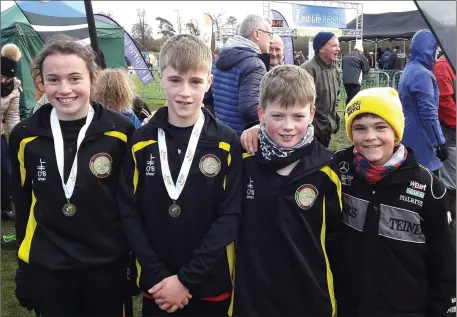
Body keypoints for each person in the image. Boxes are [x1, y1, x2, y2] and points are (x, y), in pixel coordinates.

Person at [10, 36, 135, 317]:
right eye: (53, 79)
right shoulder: (24, 136)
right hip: (50, 268)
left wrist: (132, 259)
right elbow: (23, 207)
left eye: (75, 78)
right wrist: (25, 265)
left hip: (106, 266)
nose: (64, 89)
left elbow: (131, 203)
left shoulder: (121, 131)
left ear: (93, 78)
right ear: (40, 82)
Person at [117, 34, 242, 317]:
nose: (185, 92)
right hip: (158, 284)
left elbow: (230, 216)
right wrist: (158, 273)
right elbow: (129, 212)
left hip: (210, 282)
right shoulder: (140, 141)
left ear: (209, 81)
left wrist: (186, 280)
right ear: (160, 78)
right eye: (175, 80)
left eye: (195, 82)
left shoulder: (226, 142)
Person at [334, 87, 456, 316]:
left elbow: (445, 263)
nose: (370, 137)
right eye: (360, 128)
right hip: (349, 305)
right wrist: (258, 130)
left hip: (406, 308)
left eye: (381, 127)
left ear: (396, 132)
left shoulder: (429, 187)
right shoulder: (338, 171)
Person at [234, 65, 341, 317]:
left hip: (308, 294)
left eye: (298, 116)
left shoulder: (327, 168)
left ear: (312, 113)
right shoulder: (244, 160)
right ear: (261, 114)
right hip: (254, 296)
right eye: (278, 116)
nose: (288, 126)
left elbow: (336, 238)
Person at [210, 14, 271, 136]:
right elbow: (250, 110)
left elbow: (208, 99)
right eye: (269, 34)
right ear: (257, 34)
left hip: (220, 134)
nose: (271, 39)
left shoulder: (218, 60)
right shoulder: (254, 64)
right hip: (243, 139)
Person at [398, 30, 447, 174]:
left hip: (409, 128)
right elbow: (428, 112)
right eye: (435, 49)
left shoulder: (410, 69)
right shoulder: (421, 74)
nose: (437, 53)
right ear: (427, 49)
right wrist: (439, 142)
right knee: (426, 181)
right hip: (421, 134)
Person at [300, 31, 341, 148]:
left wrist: (332, 119)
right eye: (334, 46)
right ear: (321, 48)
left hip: (326, 129)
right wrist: (311, 125)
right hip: (310, 131)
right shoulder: (306, 70)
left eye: (338, 45)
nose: (338, 49)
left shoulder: (334, 70)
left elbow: (337, 96)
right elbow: (300, 103)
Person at [434, 51, 456, 228]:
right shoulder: (443, 65)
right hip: (450, 132)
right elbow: (444, 103)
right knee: (451, 181)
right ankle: (446, 225)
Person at [1, 43, 21, 221]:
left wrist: (17, 137)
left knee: (6, 170)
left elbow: (13, 115)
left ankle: (6, 208)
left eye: (7, 78)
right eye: (1, 76)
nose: (3, 81)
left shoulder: (14, 87)